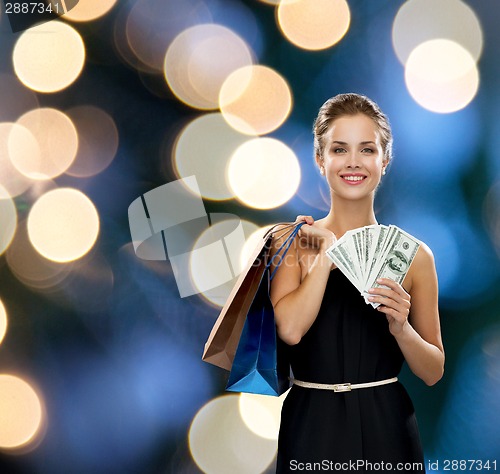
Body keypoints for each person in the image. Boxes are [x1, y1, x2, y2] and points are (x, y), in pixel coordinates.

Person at [269, 93, 444, 473]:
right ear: (320, 159)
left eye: (367, 149)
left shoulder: (415, 256)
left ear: (385, 159)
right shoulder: (292, 241)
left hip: (388, 424)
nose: (353, 162)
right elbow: (292, 330)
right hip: (310, 423)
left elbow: (433, 370)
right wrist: (324, 259)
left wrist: (401, 328)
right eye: (339, 149)